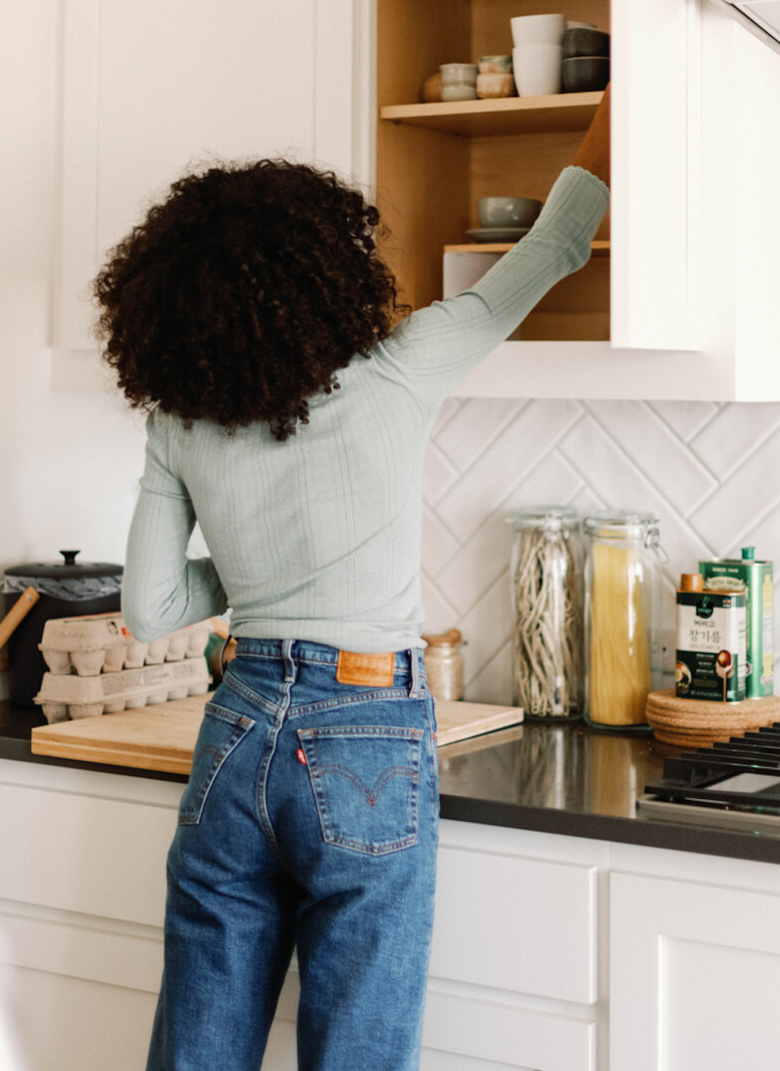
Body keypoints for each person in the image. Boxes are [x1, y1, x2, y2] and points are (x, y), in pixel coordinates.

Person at [93, 86, 611, 1071]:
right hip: (368, 724)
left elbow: (152, 606)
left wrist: (252, 566)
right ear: (329, 268)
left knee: (197, 1046)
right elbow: (551, 248)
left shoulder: (176, 419)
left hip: (237, 720)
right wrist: (607, 121)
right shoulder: (400, 367)